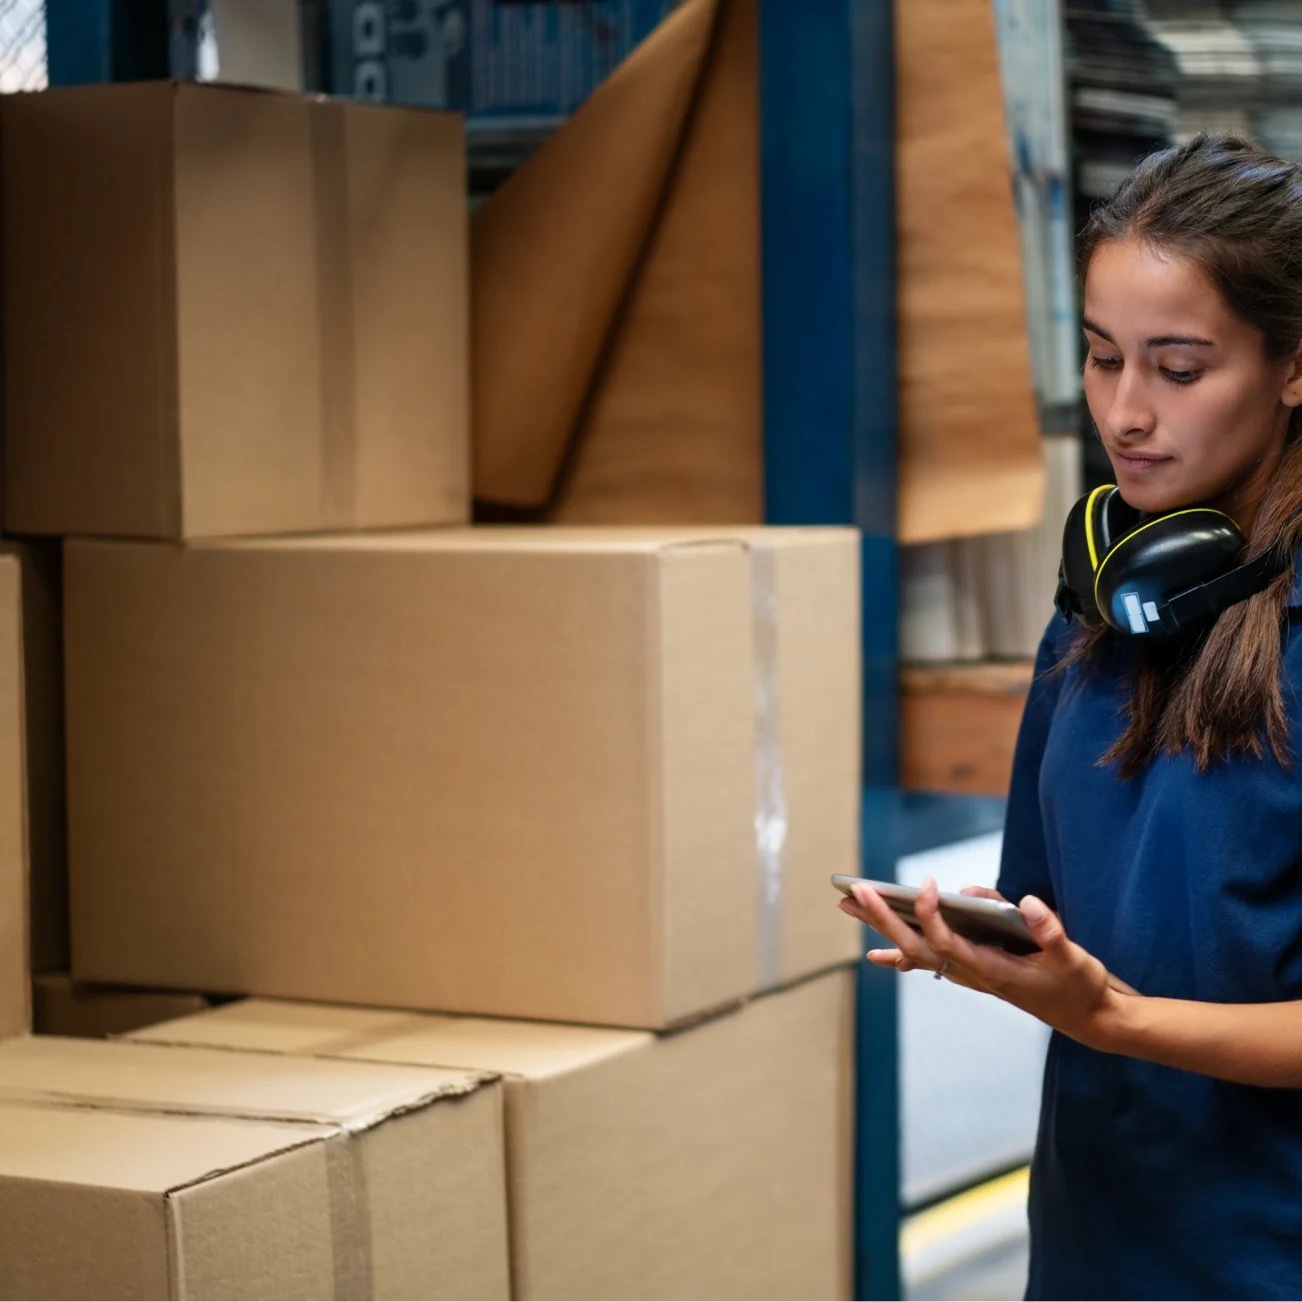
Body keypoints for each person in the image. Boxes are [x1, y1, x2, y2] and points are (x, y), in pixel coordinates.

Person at [837, 131, 1302, 1301]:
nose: (1126, 413)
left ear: (1294, 367)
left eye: (1179, 368)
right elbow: (1063, 907)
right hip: (1098, 1240)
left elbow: (1118, 999)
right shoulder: (1095, 616)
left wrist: (1116, 1017)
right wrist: (990, 943)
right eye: (1103, 360)